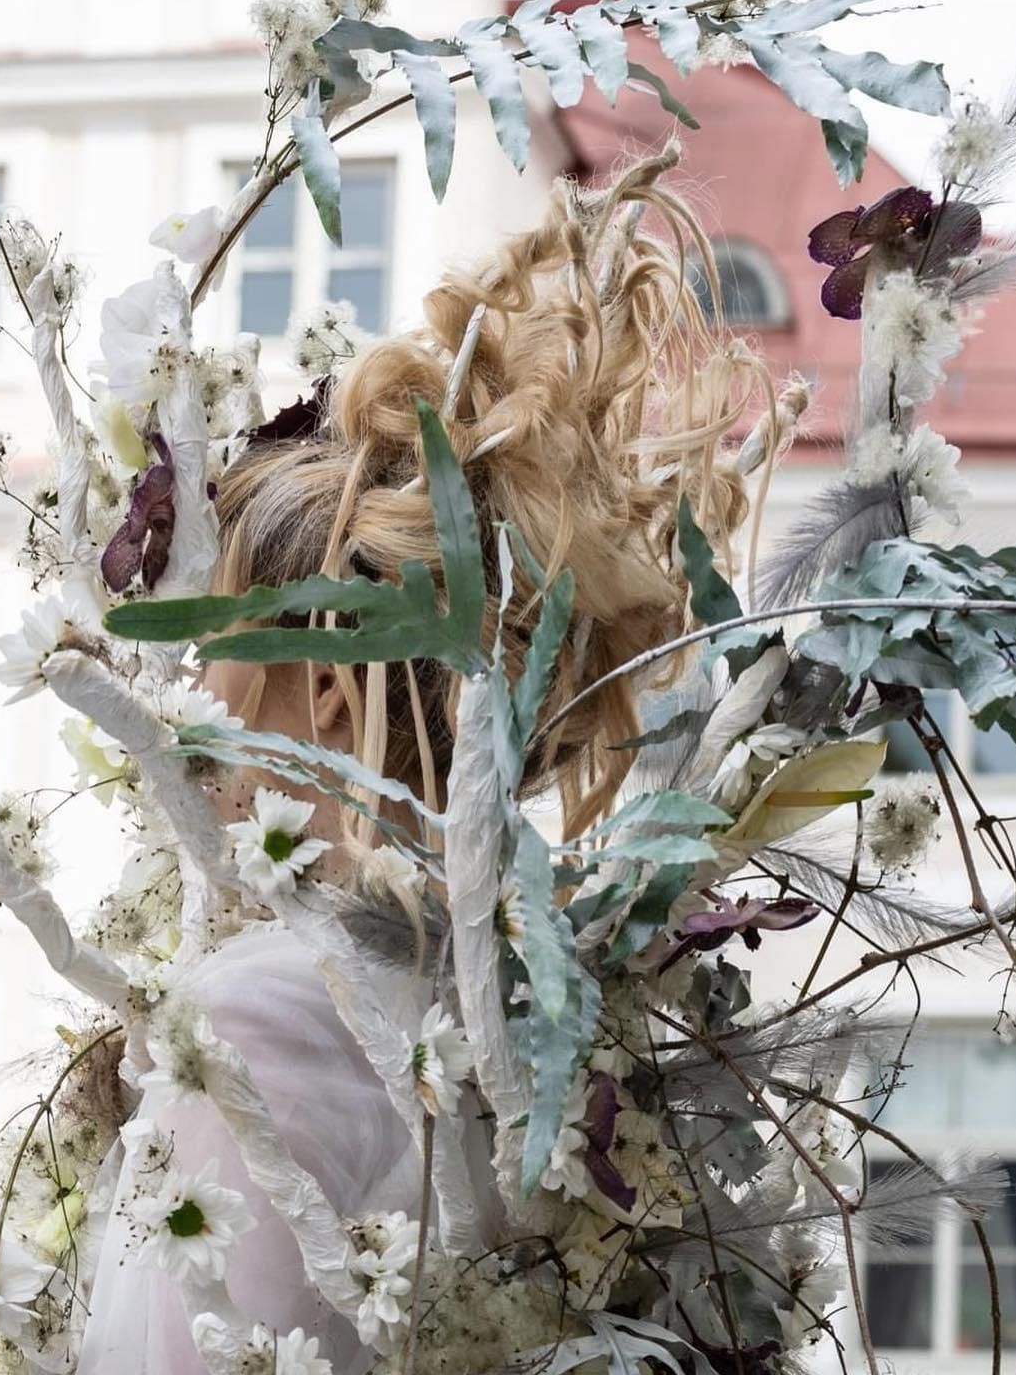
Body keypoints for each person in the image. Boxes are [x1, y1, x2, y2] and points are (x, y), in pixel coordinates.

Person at [77, 155, 764, 1375]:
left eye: (224, 700)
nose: (196, 767)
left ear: (332, 697)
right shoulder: (550, 1030)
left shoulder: (261, 1014)